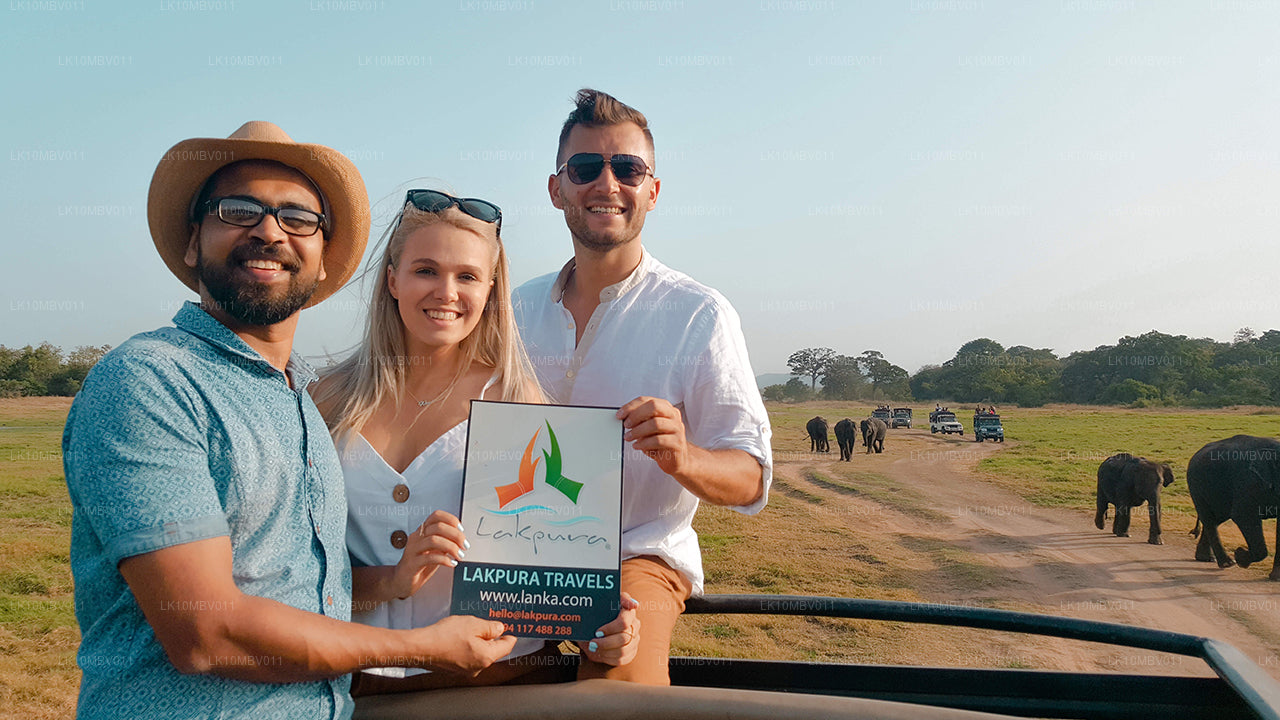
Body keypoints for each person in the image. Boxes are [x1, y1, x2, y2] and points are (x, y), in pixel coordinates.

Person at [62, 122, 515, 720]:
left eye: (297, 219)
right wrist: (418, 647)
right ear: (194, 242)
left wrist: (388, 582)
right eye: (238, 210)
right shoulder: (150, 381)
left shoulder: (299, 398)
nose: (269, 231)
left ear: (324, 259)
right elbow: (207, 633)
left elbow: (300, 581)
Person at [312, 188, 640, 695]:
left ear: (490, 290)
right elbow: (293, 569)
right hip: (352, 681)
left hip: (496, 682)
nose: (446, 291)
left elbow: (559, 578)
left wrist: (606, 630)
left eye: (467, 276)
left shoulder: (522, 404)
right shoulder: (326, 397)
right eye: (425, 270)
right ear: (393, 280)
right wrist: (389, 581)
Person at [513, 89, 774, 685]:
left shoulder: (697, 314)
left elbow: (752, 476)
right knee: (423, 670)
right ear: (557, 189)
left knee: (615, 685)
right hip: (516, 550)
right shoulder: (511, 310)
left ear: (652, 191)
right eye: (585, 168)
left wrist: (683, 456)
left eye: (627, 168)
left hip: (635, 553)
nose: (607, 184)